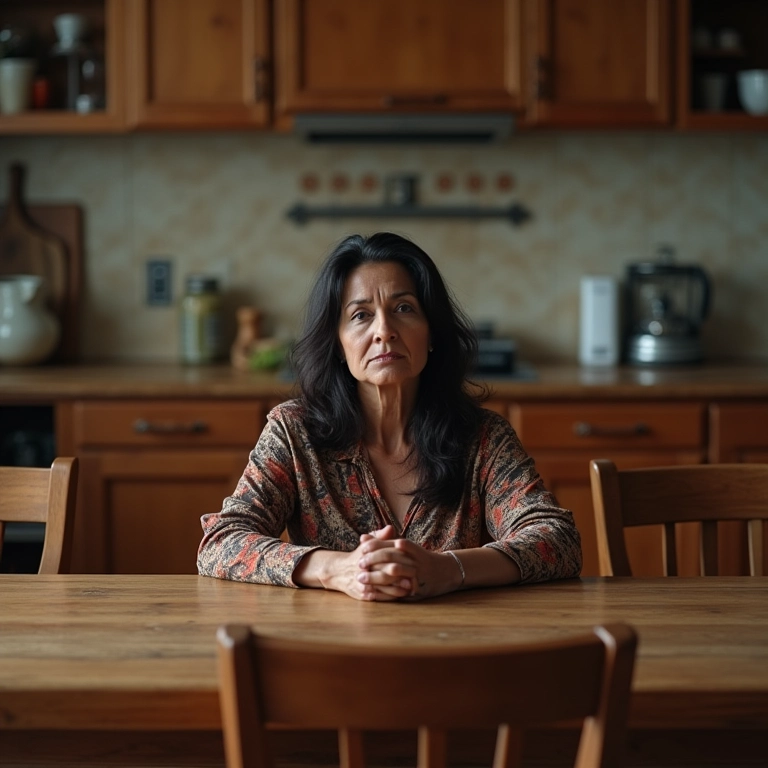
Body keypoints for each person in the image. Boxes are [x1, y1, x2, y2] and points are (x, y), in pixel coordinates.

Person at [197, 232, 582, 600]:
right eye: (361, 315)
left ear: (431, 332)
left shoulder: (481, 437)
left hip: (454, 650)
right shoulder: (295, 432)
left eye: (403, 308)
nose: (384, 331)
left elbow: (558, 540)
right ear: (337, 343)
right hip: (325, 651)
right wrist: (340, 570)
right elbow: (221, 543)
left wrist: (447, 570)